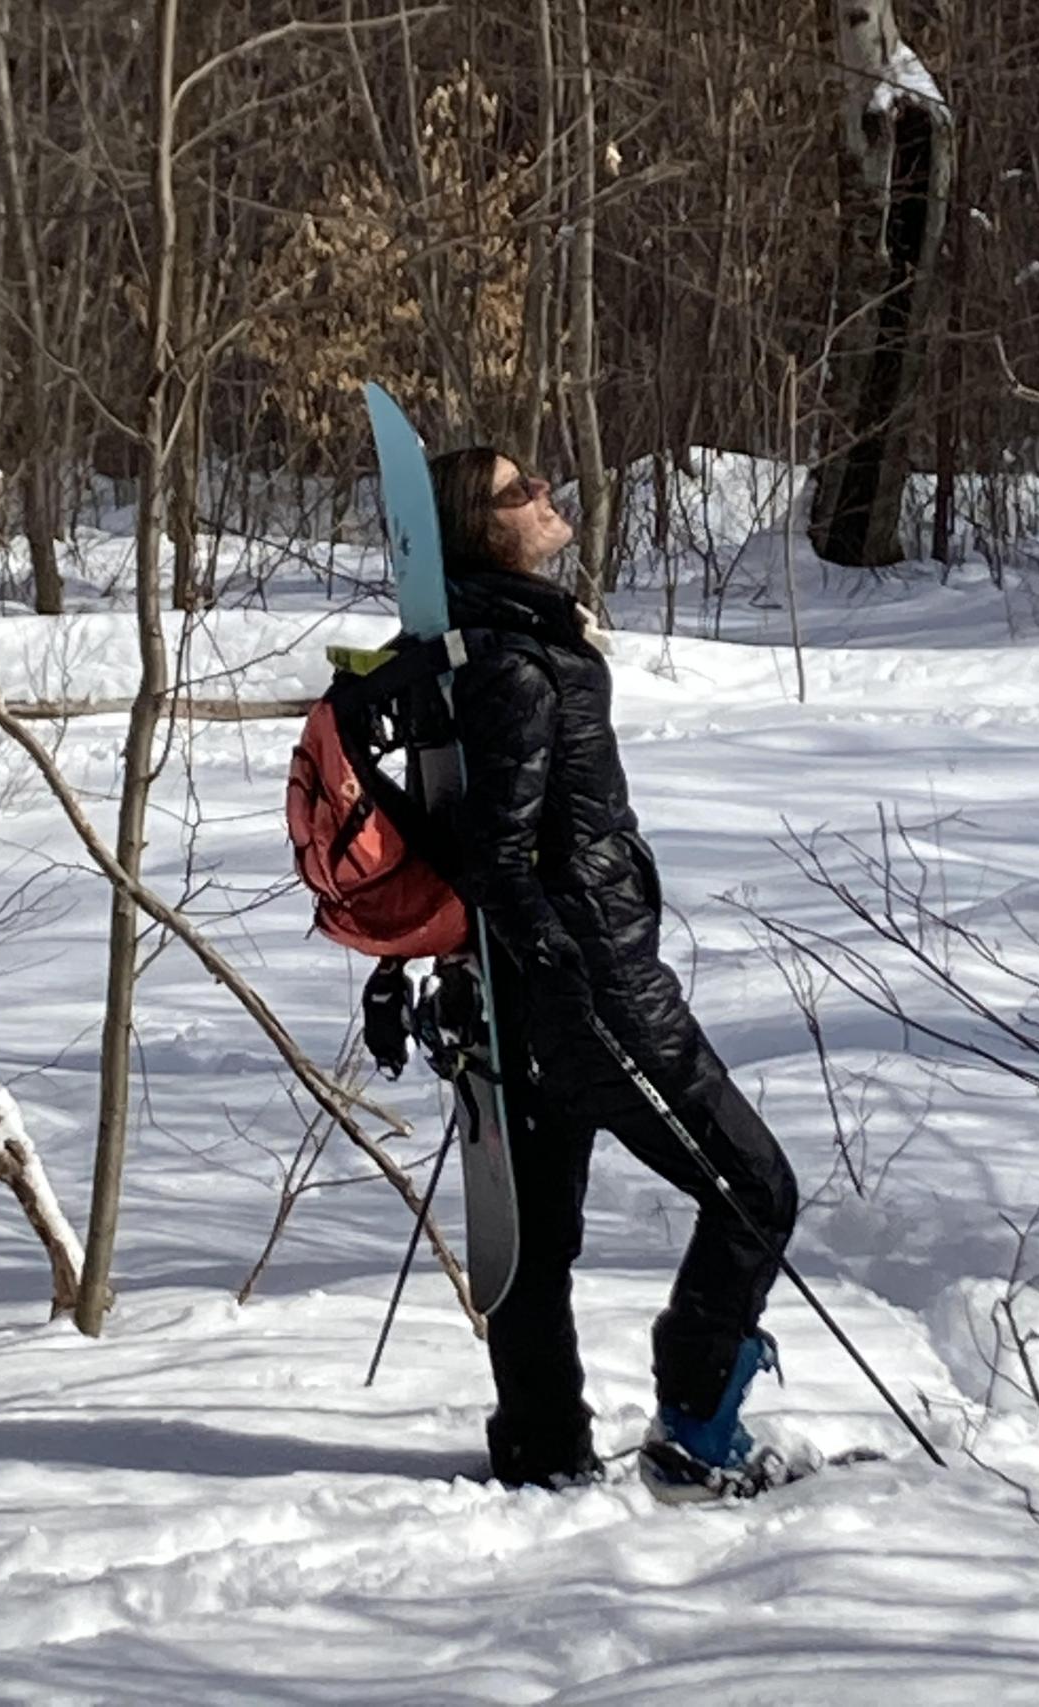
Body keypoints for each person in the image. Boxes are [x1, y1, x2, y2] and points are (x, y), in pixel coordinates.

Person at [364, 446, 798, 1494]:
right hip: (593, 991)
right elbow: (495, 853)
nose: (545, 495)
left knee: (539, 1236)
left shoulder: (476, 647)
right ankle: (695, 1429)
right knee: (754, 1189)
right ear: (478, 529)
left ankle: (542, 1444)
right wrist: (561, 965)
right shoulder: (514, 665)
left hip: (520, 996)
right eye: (519, 492)